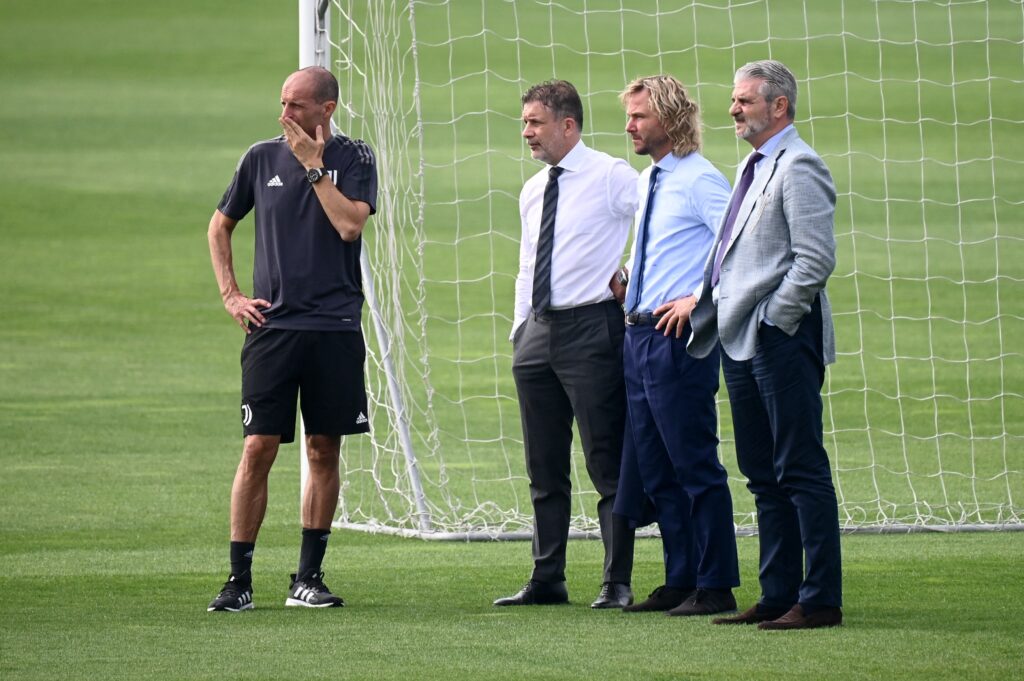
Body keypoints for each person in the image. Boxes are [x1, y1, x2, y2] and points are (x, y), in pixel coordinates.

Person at [205, 66, 377, 612]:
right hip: (273, 330)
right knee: (258, 449)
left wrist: (313, 168)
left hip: (334, 328)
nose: (284, 115)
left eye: (296, 105)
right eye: (282, 103)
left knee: (323, 449)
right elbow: (219, 225)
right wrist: (232, 294)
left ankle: (307, 577)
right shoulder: (259, 157)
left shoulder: (355, 158)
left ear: (326, 108)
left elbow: (350, 225)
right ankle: (238, 581)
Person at [688, 60, 843, 629]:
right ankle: (778, 593)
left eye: (745, 101)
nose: (734, 109)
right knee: (761, 471)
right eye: (734, 100)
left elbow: (814, 260)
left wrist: (776, 319)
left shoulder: (799, 165)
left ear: (779, 106)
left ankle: (821, 598)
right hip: (741, 338)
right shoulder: (754, 166)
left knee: (799, 466)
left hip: (779, 336)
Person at [494, 80, 638, 609]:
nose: (527, 132)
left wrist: (633, 276)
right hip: (537, 333)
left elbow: (658, 222)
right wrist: (519, 329)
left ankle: (616, 581)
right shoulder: (534, 188)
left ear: (567, 125)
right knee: (543, 464)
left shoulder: (611, 176)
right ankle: (547, 577)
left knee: (607, 461)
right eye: (526, 122)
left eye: (534, 122)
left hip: (592, 330)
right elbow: (527, 264)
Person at [609, 75, 740, 617]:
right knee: (657, 467)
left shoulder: (700, 179)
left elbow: (740, 241)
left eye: (639, 115)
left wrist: (697, 298)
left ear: (670, 118)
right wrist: (629, 282)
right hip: (637, 332)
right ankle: (680, 576)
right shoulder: (650, 180)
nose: (630, 125)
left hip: (675, 338)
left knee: (693, 463)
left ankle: (716, 585)